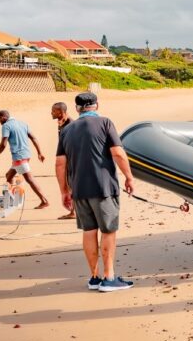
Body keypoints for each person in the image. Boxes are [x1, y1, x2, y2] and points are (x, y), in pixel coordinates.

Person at [55, 92, 136, 292]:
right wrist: (129, 177)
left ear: (76, 109)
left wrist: (64, 191)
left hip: (79, 190)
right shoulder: (105, 123)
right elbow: (117, 152)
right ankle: (109, 278)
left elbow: (60, 163)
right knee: (108, 231)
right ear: (96, 105)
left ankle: (94, 277)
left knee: (89, 231)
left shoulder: (66, 130)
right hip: (104, 187)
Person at [0, 110, 48, 209]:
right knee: (8, 176)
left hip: (19, 158)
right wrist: (39, 152)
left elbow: (3, 144)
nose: (0, 123)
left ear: (3, 117)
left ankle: (44, 200)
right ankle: (10, 200)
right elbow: (33, 138)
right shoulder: (22, 123)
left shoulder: (6, 126)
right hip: (26, 155)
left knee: (29, 179)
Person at [51, 102, 76, 220]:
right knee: (69, 183)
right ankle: (73, 211)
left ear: (61, 112)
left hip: (71, 159)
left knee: (71, 184)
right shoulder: (62, 123)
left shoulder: (70, 124)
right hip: (66, 157)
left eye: (54, 111)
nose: (51, 113)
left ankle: (74, 212)